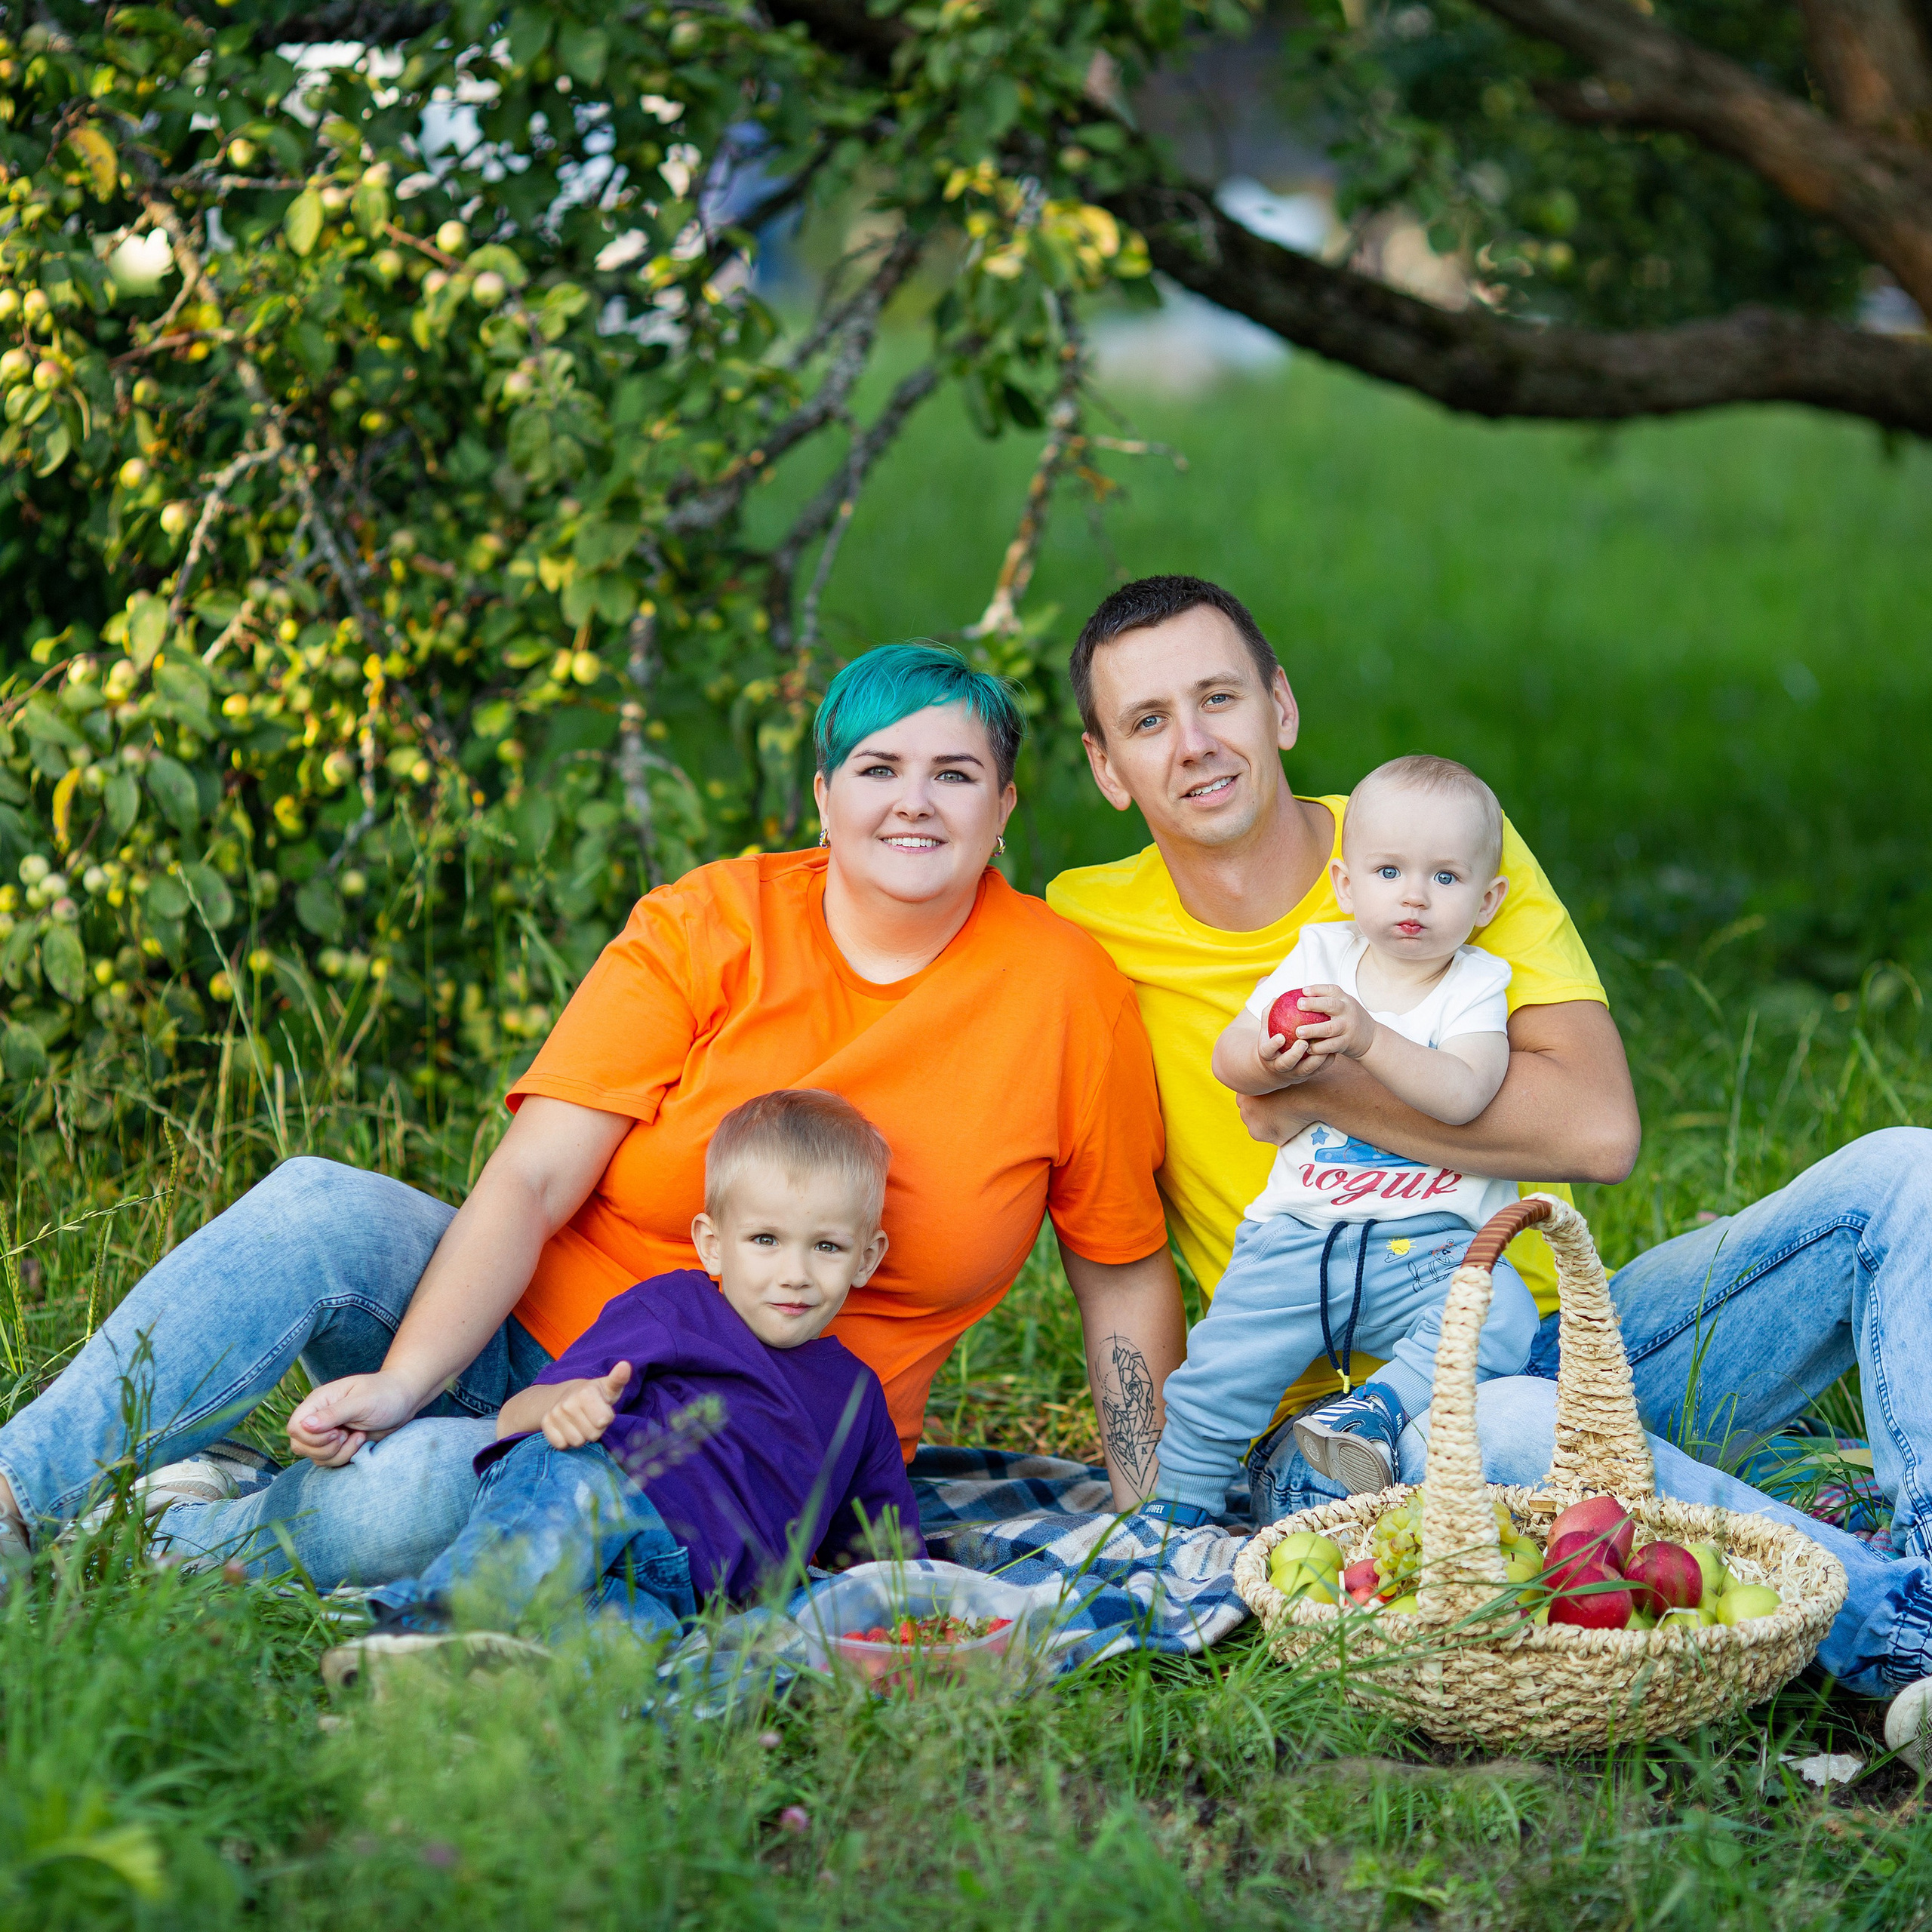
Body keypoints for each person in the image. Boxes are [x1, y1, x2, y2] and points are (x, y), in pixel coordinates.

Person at [0, 643, 1180, 1592]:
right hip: (507, 1341)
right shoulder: (709, 924)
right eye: (877, 770)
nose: (912, 804)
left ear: (1006, 805)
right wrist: (411, 1378)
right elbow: (529, 1185)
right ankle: (14, 1501)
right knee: (318, 1205)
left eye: (954, 775)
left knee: (425, 1493)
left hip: (728, 1448)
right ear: (824, 798)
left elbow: (1121, 1274)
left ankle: (157, 1541)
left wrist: (1153, 1521)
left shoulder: (1064, 994)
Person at [1047, 571, 1932, 1745]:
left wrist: (1325, 1086)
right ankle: (1899, 1634)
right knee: (1515, 1423)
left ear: (1282, 707)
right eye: (1149, 722)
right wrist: (1156, 1506)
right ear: (1107, 768)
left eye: (1219, 699)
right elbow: (1112, 1239)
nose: (1196, 744)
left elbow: (1596, 1129)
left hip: (1561, 1334)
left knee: (1904, 1174)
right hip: (1343, 1441)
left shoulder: (1431, 841)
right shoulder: (1083, 931)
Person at [362, 1091, 922, 1644]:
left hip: (686, 1594)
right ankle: (435, 1626)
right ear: (713, 1244)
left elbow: (883, 1562)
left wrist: (913, 1620)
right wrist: (566, 1405)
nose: (795, 1273)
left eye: (827, 1247)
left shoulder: (857, 1399)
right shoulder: (673, 1309)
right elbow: (514, 1419)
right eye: (766, 1240)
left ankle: (459, 1693)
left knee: (626, 1648)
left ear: (865, 1258)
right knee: (550, 1514)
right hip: (606, 1485)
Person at [1152, 754, 1539, 1514]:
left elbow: (1463, 1093)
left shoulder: (1474, 983)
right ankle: (1169, 1521)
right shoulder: (1320, 957)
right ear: (1344, 884)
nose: (1414, 897)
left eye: (1445, 878)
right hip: (1298, 1237)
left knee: (1503, 1314)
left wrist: (1365, 1040)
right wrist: (1264, 1056)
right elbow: (1230, 1055)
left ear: (1488, 898)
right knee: (1216, 1375)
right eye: (1389, 870)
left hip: (1430, 1244)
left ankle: (1374, 1408)